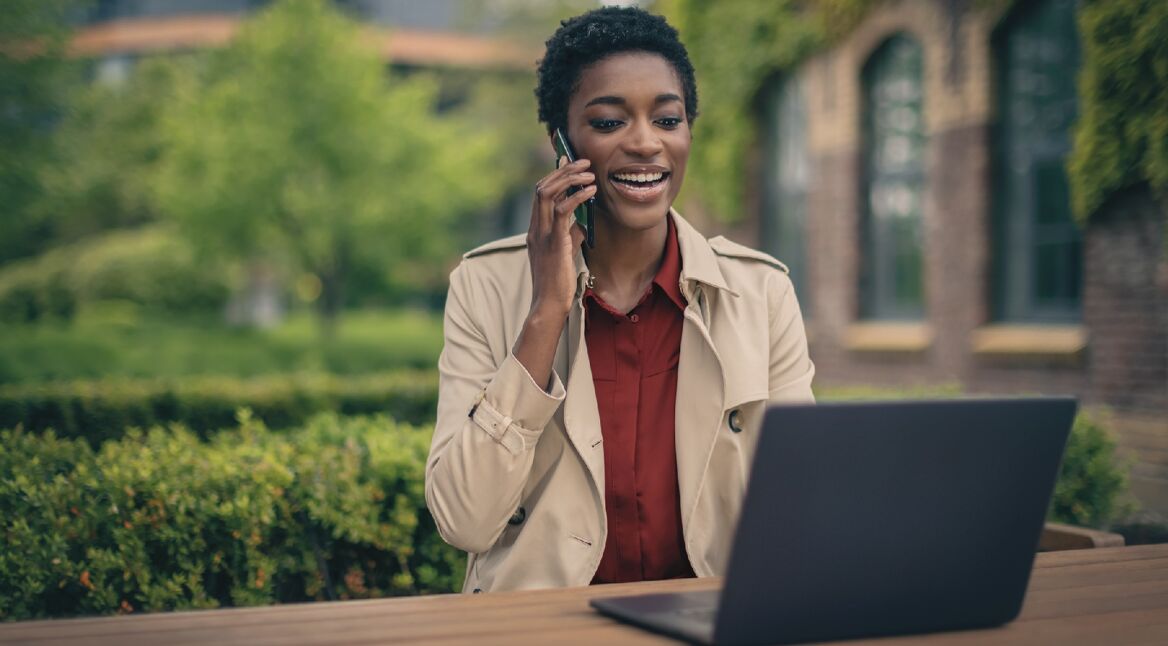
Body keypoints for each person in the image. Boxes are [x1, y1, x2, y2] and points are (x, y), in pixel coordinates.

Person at [425, 6, 814, 593]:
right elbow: (464, 521)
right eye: (609, 123)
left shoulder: (760, 293)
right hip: (542, 631)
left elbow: (803, 510)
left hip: (710, 623)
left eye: (667, 119)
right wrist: (546, 312)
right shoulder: (484, 287)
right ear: (561, 142)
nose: (644, 143)